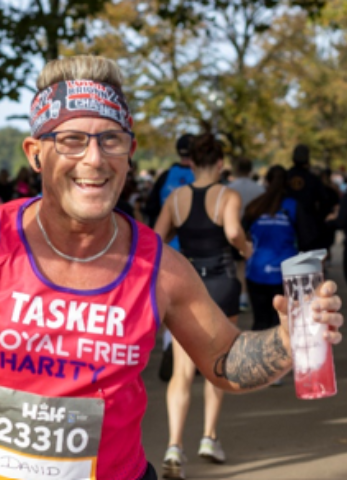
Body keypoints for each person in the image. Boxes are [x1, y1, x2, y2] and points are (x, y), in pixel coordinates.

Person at [0, 43, 343, 480]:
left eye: (111, 140)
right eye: (71, 140)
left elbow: (224, 360)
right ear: (35, 153)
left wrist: (286, 340)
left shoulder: (160, 268)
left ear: (130, 153)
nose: (94, 159)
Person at [154, 133, 252, 478]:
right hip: (222, 284)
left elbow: (156, 237)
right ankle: (209, 437)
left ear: (191, 163)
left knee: (181, 372)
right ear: (221, 163)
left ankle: (173, 446)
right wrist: (246, 248)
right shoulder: (228, 195)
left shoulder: (176, 197)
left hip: (186, 285)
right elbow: (233, 232)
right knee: (218, 364)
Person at [144, 134, 195, 381]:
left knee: (169, 302)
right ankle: (188, 352)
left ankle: (169, 344)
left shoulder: (165, 178)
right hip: (195, 249)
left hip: (166, 247)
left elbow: (150, 209)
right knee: (193, 303)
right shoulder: (200, 178)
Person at [243, 166, 299, 333]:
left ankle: (261, 359)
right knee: (284, 325)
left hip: (257, 272)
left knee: (261, 323)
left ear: (266, 181)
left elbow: (239, 232)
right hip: (286, 273)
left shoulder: (255, 206)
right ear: (287, 183)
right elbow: (308, 237)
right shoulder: (293, 207)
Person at [229, 157, 265, 311]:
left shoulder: (229, 188)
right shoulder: (259, 189)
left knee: (239, 265)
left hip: (235, 226)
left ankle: (242, 295)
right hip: (255, 229)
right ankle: (253, 295)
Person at [286, 144, 326, 251]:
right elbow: (324, 201)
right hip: (308, 227)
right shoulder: (312, 179)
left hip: (287, 223)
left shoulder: (286, 177)